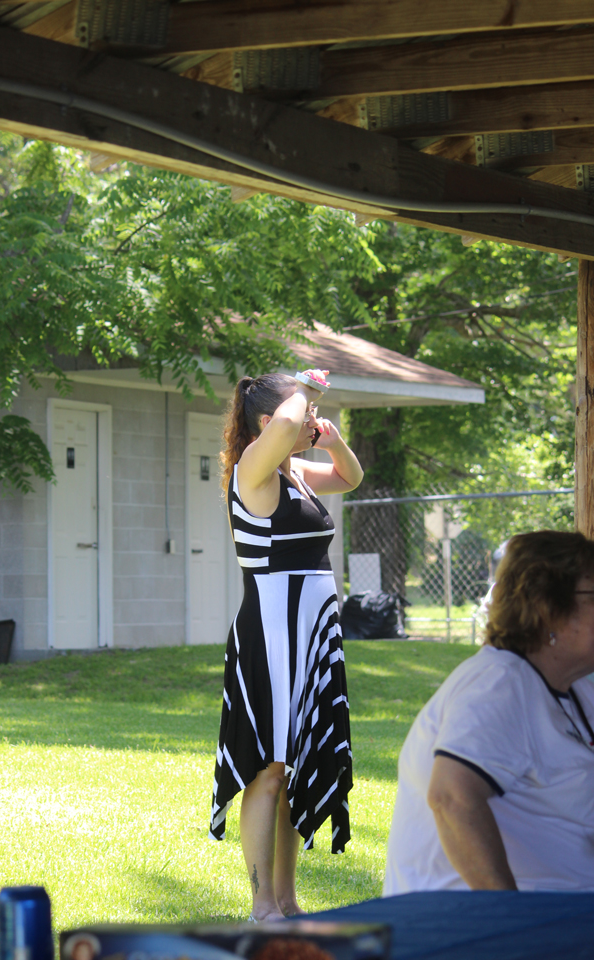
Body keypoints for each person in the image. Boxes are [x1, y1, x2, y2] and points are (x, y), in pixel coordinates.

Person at [209, 369, 364, 921]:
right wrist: (303, 388)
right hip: (273, 634)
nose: (310, 423)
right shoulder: (252, 468)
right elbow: (290, 418)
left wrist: (331, 436)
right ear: (271, 423)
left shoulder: (293, 470)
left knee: (293, 765)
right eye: (301, 417)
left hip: (313, 632)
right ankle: (262, 906)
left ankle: (287, 900)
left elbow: (350, 477)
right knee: (267, 770)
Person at [383, 529, 594, 895]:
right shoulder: (499, 684)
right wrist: (511, 919)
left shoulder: (576, 684)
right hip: (474, 927)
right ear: (547, 608)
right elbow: (451, 797)